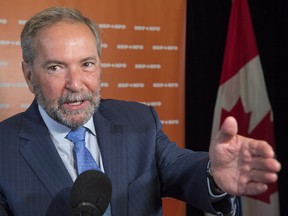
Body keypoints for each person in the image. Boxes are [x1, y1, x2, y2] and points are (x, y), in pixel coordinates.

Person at [0, 7, 281, 216]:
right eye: (55, 67)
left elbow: (180, 168)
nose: (75, 84)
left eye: (86, 64)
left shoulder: (139, 121)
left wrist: (213, 175)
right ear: (28, 74)